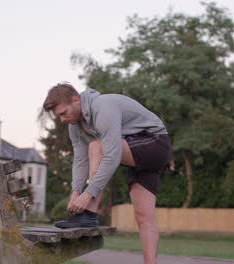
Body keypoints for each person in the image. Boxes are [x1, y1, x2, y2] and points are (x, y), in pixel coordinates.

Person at [42, 83, 172, 264]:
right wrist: (75, 193)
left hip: (155, 144)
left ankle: (90, 213)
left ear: (75, 100)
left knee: (98, 146)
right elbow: (80, 159)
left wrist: (88, 195)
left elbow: (111, 156)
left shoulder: (102, 106)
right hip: (135, 151)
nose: (62, 119)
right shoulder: (74, 125)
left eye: (64, 113)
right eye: (59, 116)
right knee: (144, 217)